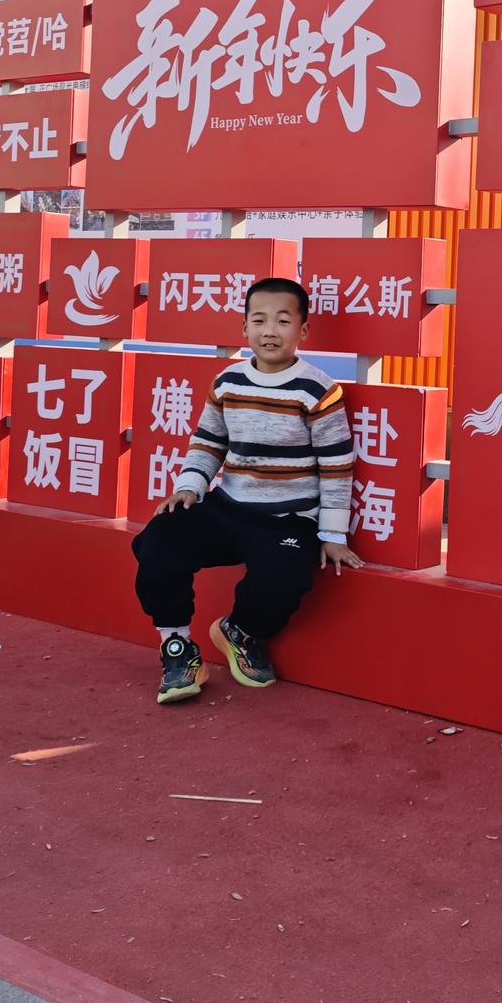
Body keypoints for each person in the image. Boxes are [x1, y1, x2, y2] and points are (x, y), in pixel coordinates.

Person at [131, 277, 363, 705]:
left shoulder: (318, 390)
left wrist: (332, 533)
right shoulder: (227, 381)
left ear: (303, 330)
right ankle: (177, 647)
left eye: (283, 321)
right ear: (244, 328)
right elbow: (208, 442)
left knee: (286, 577)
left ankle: (239, 631)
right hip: (229, 506)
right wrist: (189, 487)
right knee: (158, 540)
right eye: (259, 320)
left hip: (288, 518)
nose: (270, 331)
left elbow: (336, 465)